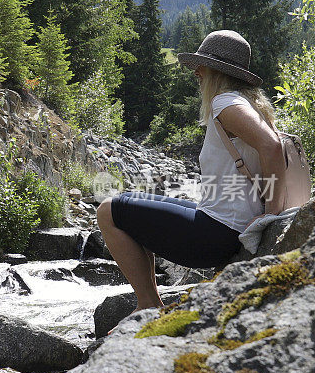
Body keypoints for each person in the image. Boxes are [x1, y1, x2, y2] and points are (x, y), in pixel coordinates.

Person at [96, 30, 286, 312]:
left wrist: (270, 214)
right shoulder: (247, 102)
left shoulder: (225, 103)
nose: (196, 71)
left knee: (108, 211)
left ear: (217, 70)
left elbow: (271, 147)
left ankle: (148, 304)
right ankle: (148, 303)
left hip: (216, 233)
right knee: (133, 203)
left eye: (202, 64)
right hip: (221, 224)